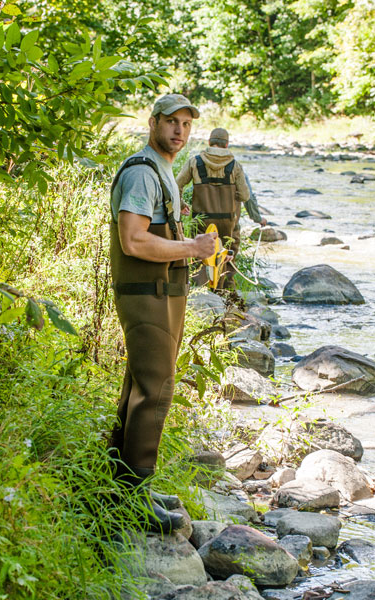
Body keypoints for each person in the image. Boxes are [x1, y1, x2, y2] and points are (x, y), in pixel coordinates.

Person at [108, 94, 217, 532]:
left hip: (161, 292)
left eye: (187, 124)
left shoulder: (162, 171)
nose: (180, 131)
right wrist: (191, 246)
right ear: (153, 123)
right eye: (172, 122)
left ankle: (121, 487)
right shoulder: (140, 171)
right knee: (155, 391)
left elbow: (152, 228)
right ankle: (133, 499)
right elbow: (133, 240)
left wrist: (175, 223)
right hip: (145, 293)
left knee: (139, 387)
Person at [176, 127, 250, 289]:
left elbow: (176, 186)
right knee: (226, 255)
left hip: (201, 219)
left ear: (209, 142)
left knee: (199, 254)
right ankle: (224, 291)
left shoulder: (195, 162)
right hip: (226, 220)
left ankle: (200, 290)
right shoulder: (235, 166)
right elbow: (245, 196)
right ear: (227, 145)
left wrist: (181, 204)